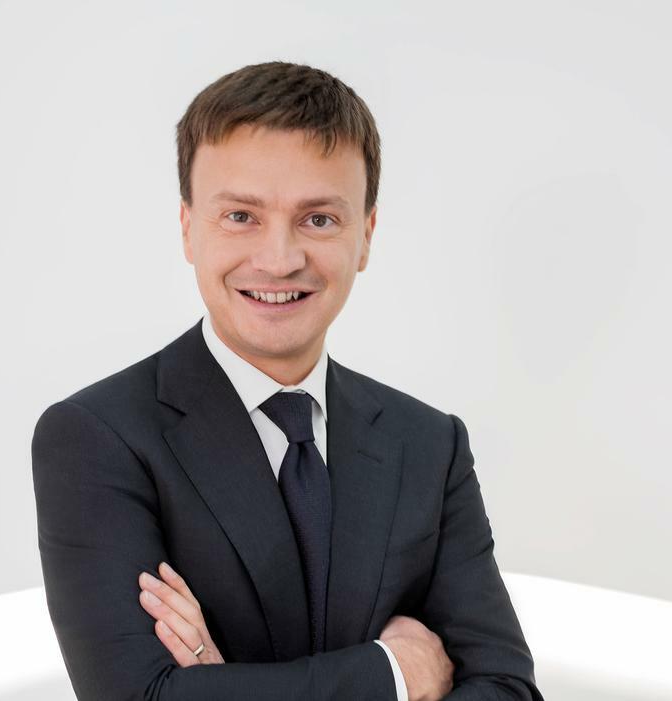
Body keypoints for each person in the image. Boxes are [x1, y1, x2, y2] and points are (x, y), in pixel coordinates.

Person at [30, 60, 542, 700]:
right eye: (241, 216)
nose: (279, 260)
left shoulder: (429, 444)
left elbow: (507, 690)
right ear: (188, 228)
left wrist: (223, 687)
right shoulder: (98, 438)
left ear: (365, 236)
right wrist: (394, 674)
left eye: (318, 219)